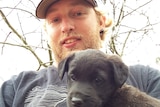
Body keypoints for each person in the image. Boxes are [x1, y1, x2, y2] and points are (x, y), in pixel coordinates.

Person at [0, 0, 160, 107]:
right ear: (46, 31)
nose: (66, 26)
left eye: (77, 13)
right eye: (55, 20)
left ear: (101, 21)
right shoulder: (15, 86)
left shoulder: (147, 78)